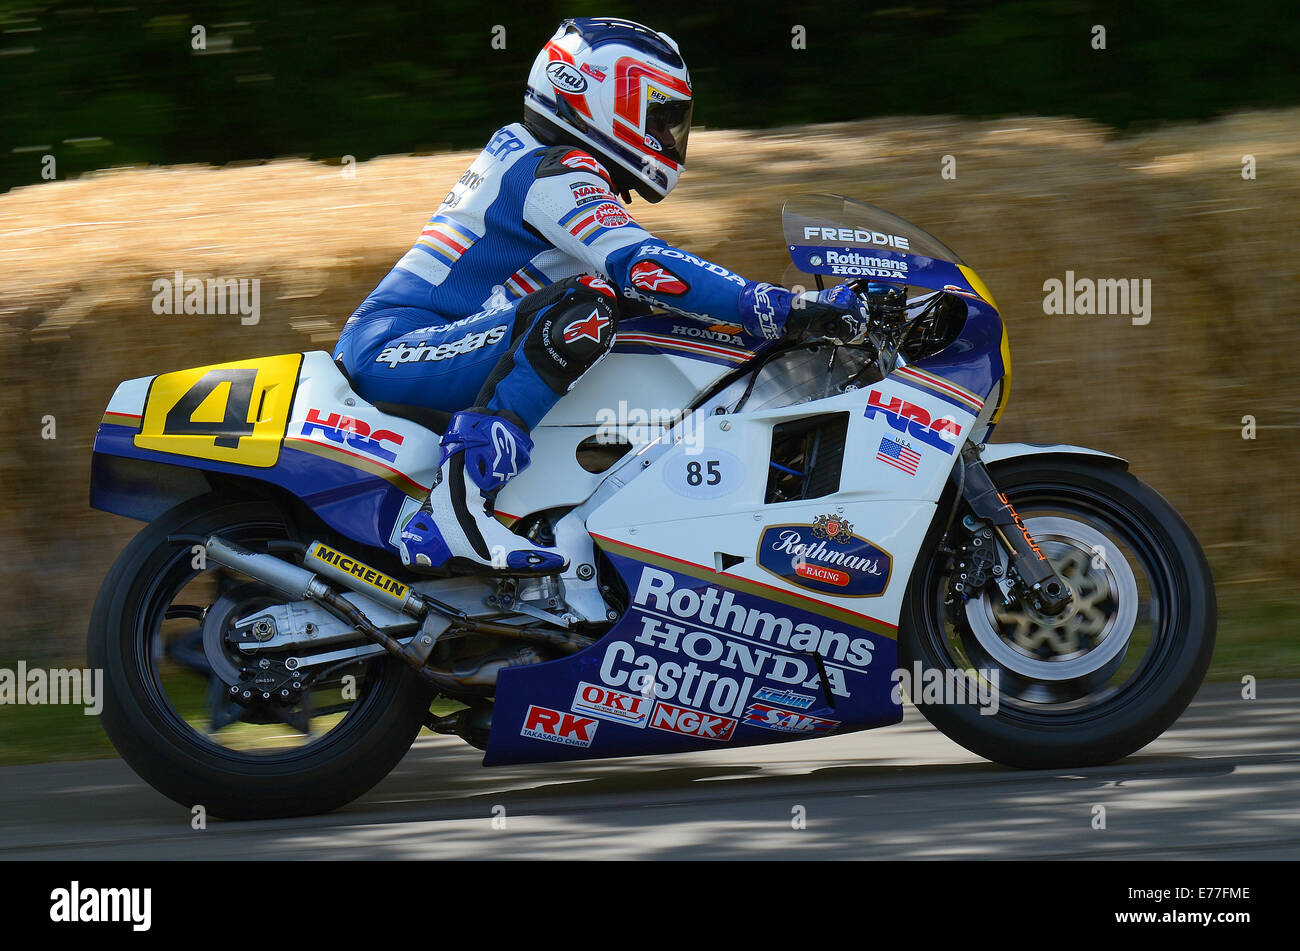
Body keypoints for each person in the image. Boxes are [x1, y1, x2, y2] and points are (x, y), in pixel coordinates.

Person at [333, 16, 858, 576]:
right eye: (659, 116)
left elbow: (650, 289)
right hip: (396, 345)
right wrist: (779, 307)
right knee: (584, 308)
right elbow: (647, 266)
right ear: (600, 98)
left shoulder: (541, 161)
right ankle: (454, 509)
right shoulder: (552, 170)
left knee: (622, 315)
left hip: (428, 342)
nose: (670, 135)